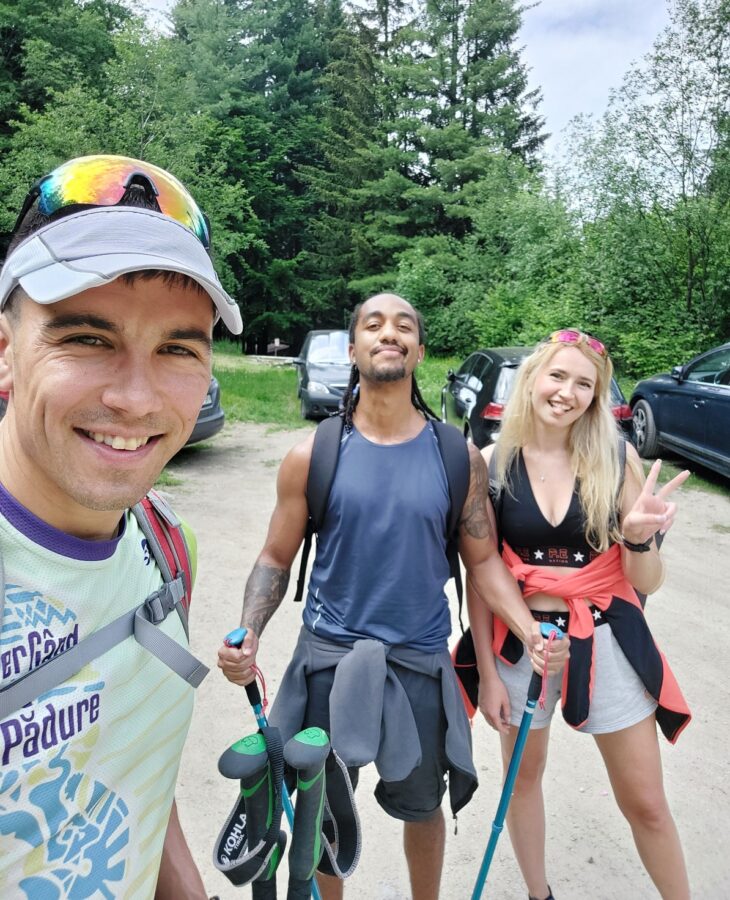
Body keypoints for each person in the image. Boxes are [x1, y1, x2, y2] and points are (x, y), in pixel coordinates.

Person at [217, 293, 569, 900]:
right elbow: (275, 558)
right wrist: (249, 629)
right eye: (373, 325)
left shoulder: (455, 456)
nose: (389, 333)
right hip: (328, 661)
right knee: (321, 810)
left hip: (419, 664)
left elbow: (483, 561)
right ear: (353, 349)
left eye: (404, 326)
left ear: (420, 351)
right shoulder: (314, 454)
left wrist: (529, 628)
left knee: (423, 807)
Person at [0, 154, 243, 899]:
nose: (138, 400)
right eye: (88, 338)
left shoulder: (167, 544)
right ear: (6, 351)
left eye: (176, 348)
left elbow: (129, 771)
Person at [467, 329, 692, 900]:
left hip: (608, 636)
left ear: (596, 396)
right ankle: (539, 894)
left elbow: (649, 584)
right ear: (534, 379)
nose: (567, 392)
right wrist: (489, 676)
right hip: (523, 645)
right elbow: (482, 572)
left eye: (584, 384)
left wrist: (639, 543)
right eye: (558, 376)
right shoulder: (493, 464)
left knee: (645, 801)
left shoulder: (616, 459)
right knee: (523, 781)